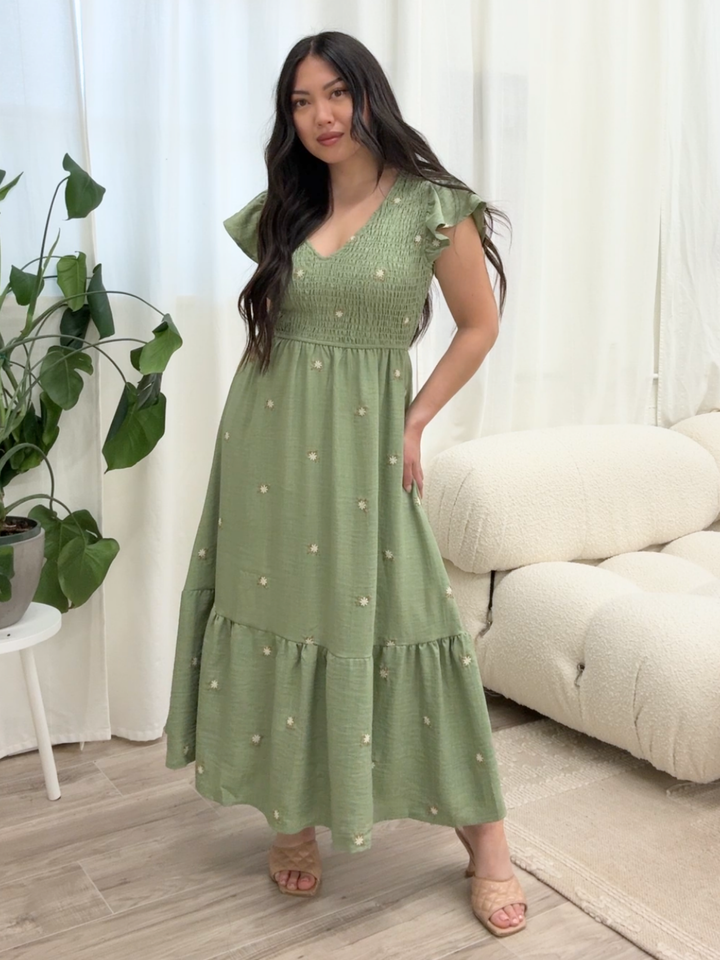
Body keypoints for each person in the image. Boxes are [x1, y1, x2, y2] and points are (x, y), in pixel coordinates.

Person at [164, 30, 527, 939]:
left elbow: (479, 325)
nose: (320, 115)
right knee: (280, 609)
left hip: (368, 449)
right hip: (265, 445)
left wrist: (415, 421)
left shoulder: (434, 207)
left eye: (335, 93)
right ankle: (290, 819)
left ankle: (489, 847)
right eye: (300, 101)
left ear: (369, 95)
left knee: (412, 619)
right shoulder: (283, 208)